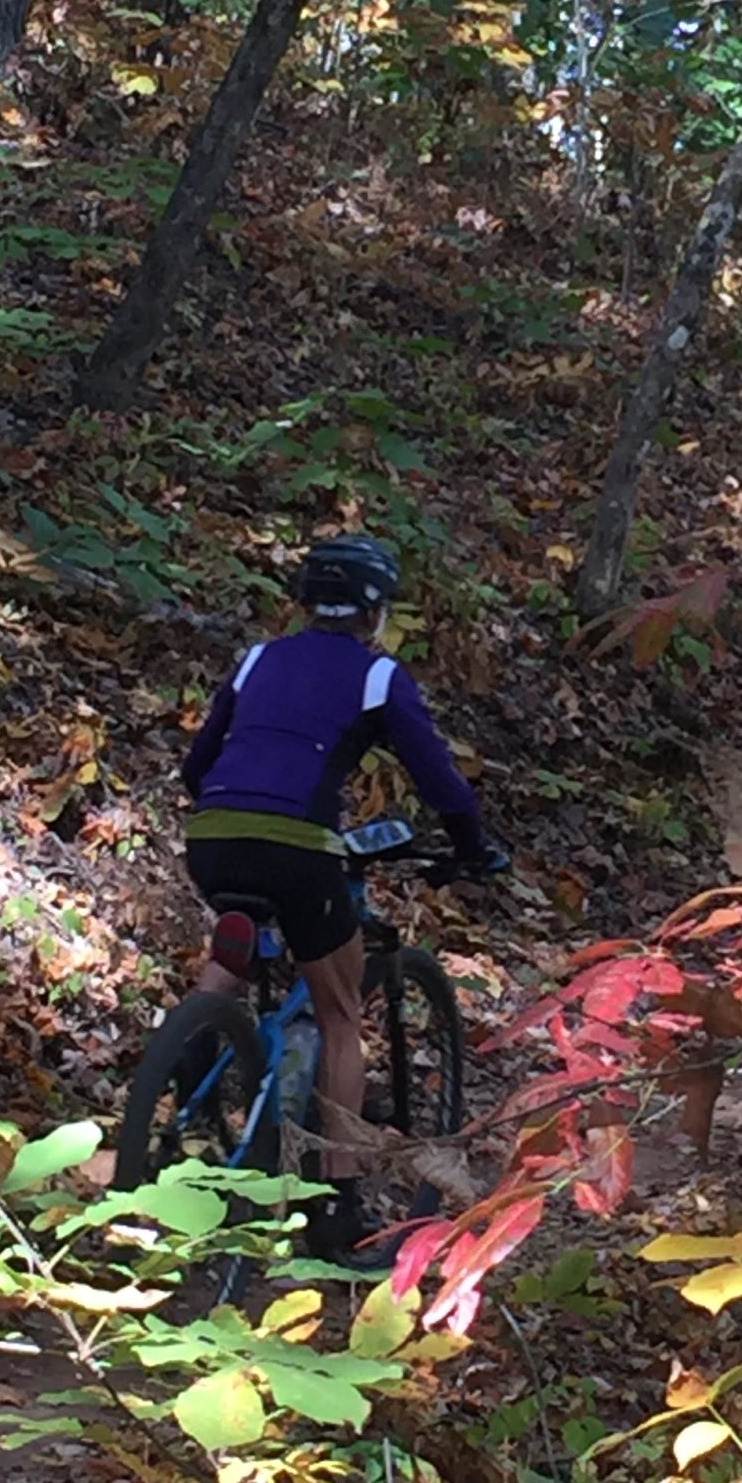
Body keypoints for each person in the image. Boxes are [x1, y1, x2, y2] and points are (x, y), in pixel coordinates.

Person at [180, 534, 502, 1258]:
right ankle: (336, 1206)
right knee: (341, 1013)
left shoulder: (260, 658)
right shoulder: (378, 676)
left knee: (228, 967)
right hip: (298, 849)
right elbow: (439, 780)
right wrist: (474, 848)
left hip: (213, 835)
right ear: (376, 612)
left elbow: (197, 762)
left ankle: (184, 1096)